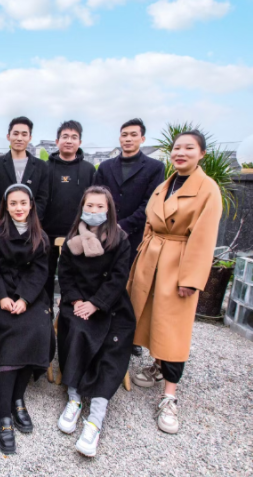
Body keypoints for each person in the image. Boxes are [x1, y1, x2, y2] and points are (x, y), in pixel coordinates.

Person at [127, 130, 222, 434]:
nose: (181, 153)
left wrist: (191, 279)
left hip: (178, 261)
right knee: (149, 316)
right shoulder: (165, 185)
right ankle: (157, 365)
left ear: (202, 153)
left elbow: (204, 238)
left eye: (189, 148)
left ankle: (170, 396)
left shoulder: (207, 189)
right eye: (177, 148)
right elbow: (149, 223)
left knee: (174, 327)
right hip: (151, 257)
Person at [55, 186, 135, 457]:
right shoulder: (72, 239)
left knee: (112, 342)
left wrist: (97, 303)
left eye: (100, 206)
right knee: (77, 331)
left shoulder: (120, 239)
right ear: (82, 207)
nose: (94, 211)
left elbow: (119, 277)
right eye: (89, 206)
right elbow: (65, 274)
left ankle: (95, 419)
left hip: (111, 304)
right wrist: (77, 300)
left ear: (109, 210)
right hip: (77, 303)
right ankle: (74, 398)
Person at [0, 184, 54, 455]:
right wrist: (2, 297)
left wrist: (24, 299)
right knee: (11, 330)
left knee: (37, 328)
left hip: (30, 297)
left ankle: (18, 398)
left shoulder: (41, 236)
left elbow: (39, 273)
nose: (18, 208)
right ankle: (4, 412)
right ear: (6, 206)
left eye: (23, 203)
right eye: (13, 203)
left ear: (31, 205)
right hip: (0, 296)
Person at [93, 118, 164, 358]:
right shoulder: (105, 167)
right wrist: (105, 226)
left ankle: (129, 335)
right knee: (103, 278)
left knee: (131, 285)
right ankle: (100, 325)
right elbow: (95, 198)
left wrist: (122, 226)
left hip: (135, 236)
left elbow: (150, 203)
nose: (128, 139)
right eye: (124, 134)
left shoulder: (154, 167)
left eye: (133, 135)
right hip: (104, 234)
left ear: (142, 138)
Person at [42, 120, 95, 302]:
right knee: (46, 276)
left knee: (75, 277)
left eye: (74, 137)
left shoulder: (88, 169)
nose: (69, 141)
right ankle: (46, 311)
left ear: (80, 142)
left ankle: (72, 312)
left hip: (77, 233)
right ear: (57, 141)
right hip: (46, 233)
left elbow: (93, 202)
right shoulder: (45, 168)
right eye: (65, 137)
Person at [0, 117, 49, 222]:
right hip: (2, 225)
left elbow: (42, 199)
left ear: (30, 138)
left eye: (24, 134)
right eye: (15, 134)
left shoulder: (41, 166)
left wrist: (27, 221)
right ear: (8, 136)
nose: (19, 138)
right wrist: (4, 221)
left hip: (31, 225)